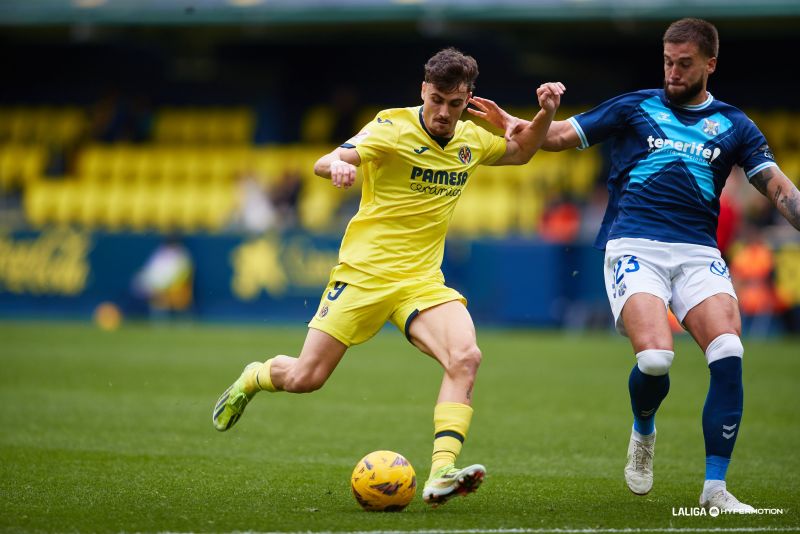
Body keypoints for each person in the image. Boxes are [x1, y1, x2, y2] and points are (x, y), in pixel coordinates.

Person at [471, 18, 800, 512]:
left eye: (684, 64)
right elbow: (558, 137)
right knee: (655, 360)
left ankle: (714, 490)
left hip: (697, 252)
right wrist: (527, 120)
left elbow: (775, 185)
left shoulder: (735, 124)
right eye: (667, 61)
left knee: (729, 351)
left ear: (710, 64)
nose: (672, 72)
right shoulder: (634, 106)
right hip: (634, 247)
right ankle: (643, 431)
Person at [212, 47, 565, 506]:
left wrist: (545, 114)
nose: (442, 112)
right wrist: (339, 164)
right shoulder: (391, 126)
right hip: (364, 274)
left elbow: (520, 152)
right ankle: (254, 376)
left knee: (466, 357)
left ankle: (442, 471)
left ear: (467, 100)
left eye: (454, 104)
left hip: (421, 280)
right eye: (436, 99)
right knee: (305, 377)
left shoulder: (470, 141)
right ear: (424, 90)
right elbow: (326, 160)